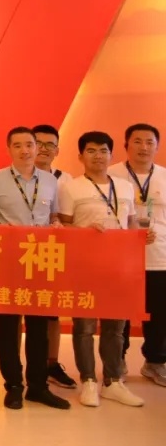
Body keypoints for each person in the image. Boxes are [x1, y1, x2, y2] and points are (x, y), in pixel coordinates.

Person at [59, 131, 151, 408]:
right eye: (91, 151)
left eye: (103, 151)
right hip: (84, 267)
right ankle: (88, 380)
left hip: (119, 267)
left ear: (111, 155)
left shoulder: (124, 187)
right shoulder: (71, 188)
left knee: (115, 328)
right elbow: (63, 227)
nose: (97, 156)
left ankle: (112, 381)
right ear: (80, 156)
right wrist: (84, 231)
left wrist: (140, 236)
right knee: (84, 327)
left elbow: (130, 223)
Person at [0, 126, 70, 410]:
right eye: (18, 145)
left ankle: (38, 386)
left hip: (41, 260)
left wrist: (56, 224)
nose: (25, 150)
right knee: (8, 325)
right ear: (9, 149)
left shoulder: (51, 181)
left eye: (30, 145)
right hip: (8, 261)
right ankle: (13, 385)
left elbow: (53, 215)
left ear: (37, 148)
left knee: (38, 326)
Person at [107, 123, 166, 387]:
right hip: (121, 258)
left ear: (157, 146)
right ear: (126, 145)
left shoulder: (164, 176)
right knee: (119, 312)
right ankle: (117, 362)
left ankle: (155, 362)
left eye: (149, 142)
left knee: (159, 314)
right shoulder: (111, 175)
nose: (144, 147)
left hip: (160, 256)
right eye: (138, 141)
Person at [29, 124, 79, 390]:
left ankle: (51, 364)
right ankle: (20, 366)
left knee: (51, 312)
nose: (44, 149)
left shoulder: (66, 181)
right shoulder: (12, 177)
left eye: (50, 144)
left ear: (57, 150)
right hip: (19, 253)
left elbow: (67, 216)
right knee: (16, 311)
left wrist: (59, 223)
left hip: (53, 254)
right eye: (38, 143)